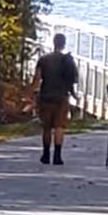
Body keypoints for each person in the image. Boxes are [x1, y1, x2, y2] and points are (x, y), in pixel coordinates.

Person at [33, 32, 78, 166]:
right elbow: (73, 79)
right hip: (62, 97)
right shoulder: (67, 60)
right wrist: (74, 95)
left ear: (53, 43)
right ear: (63, 44)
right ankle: (57, 156)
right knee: (59, 126)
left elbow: (37, 78)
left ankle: (46, 155)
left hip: (46, 96)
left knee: (47, 128)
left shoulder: (44, 59)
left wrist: (31, 93)